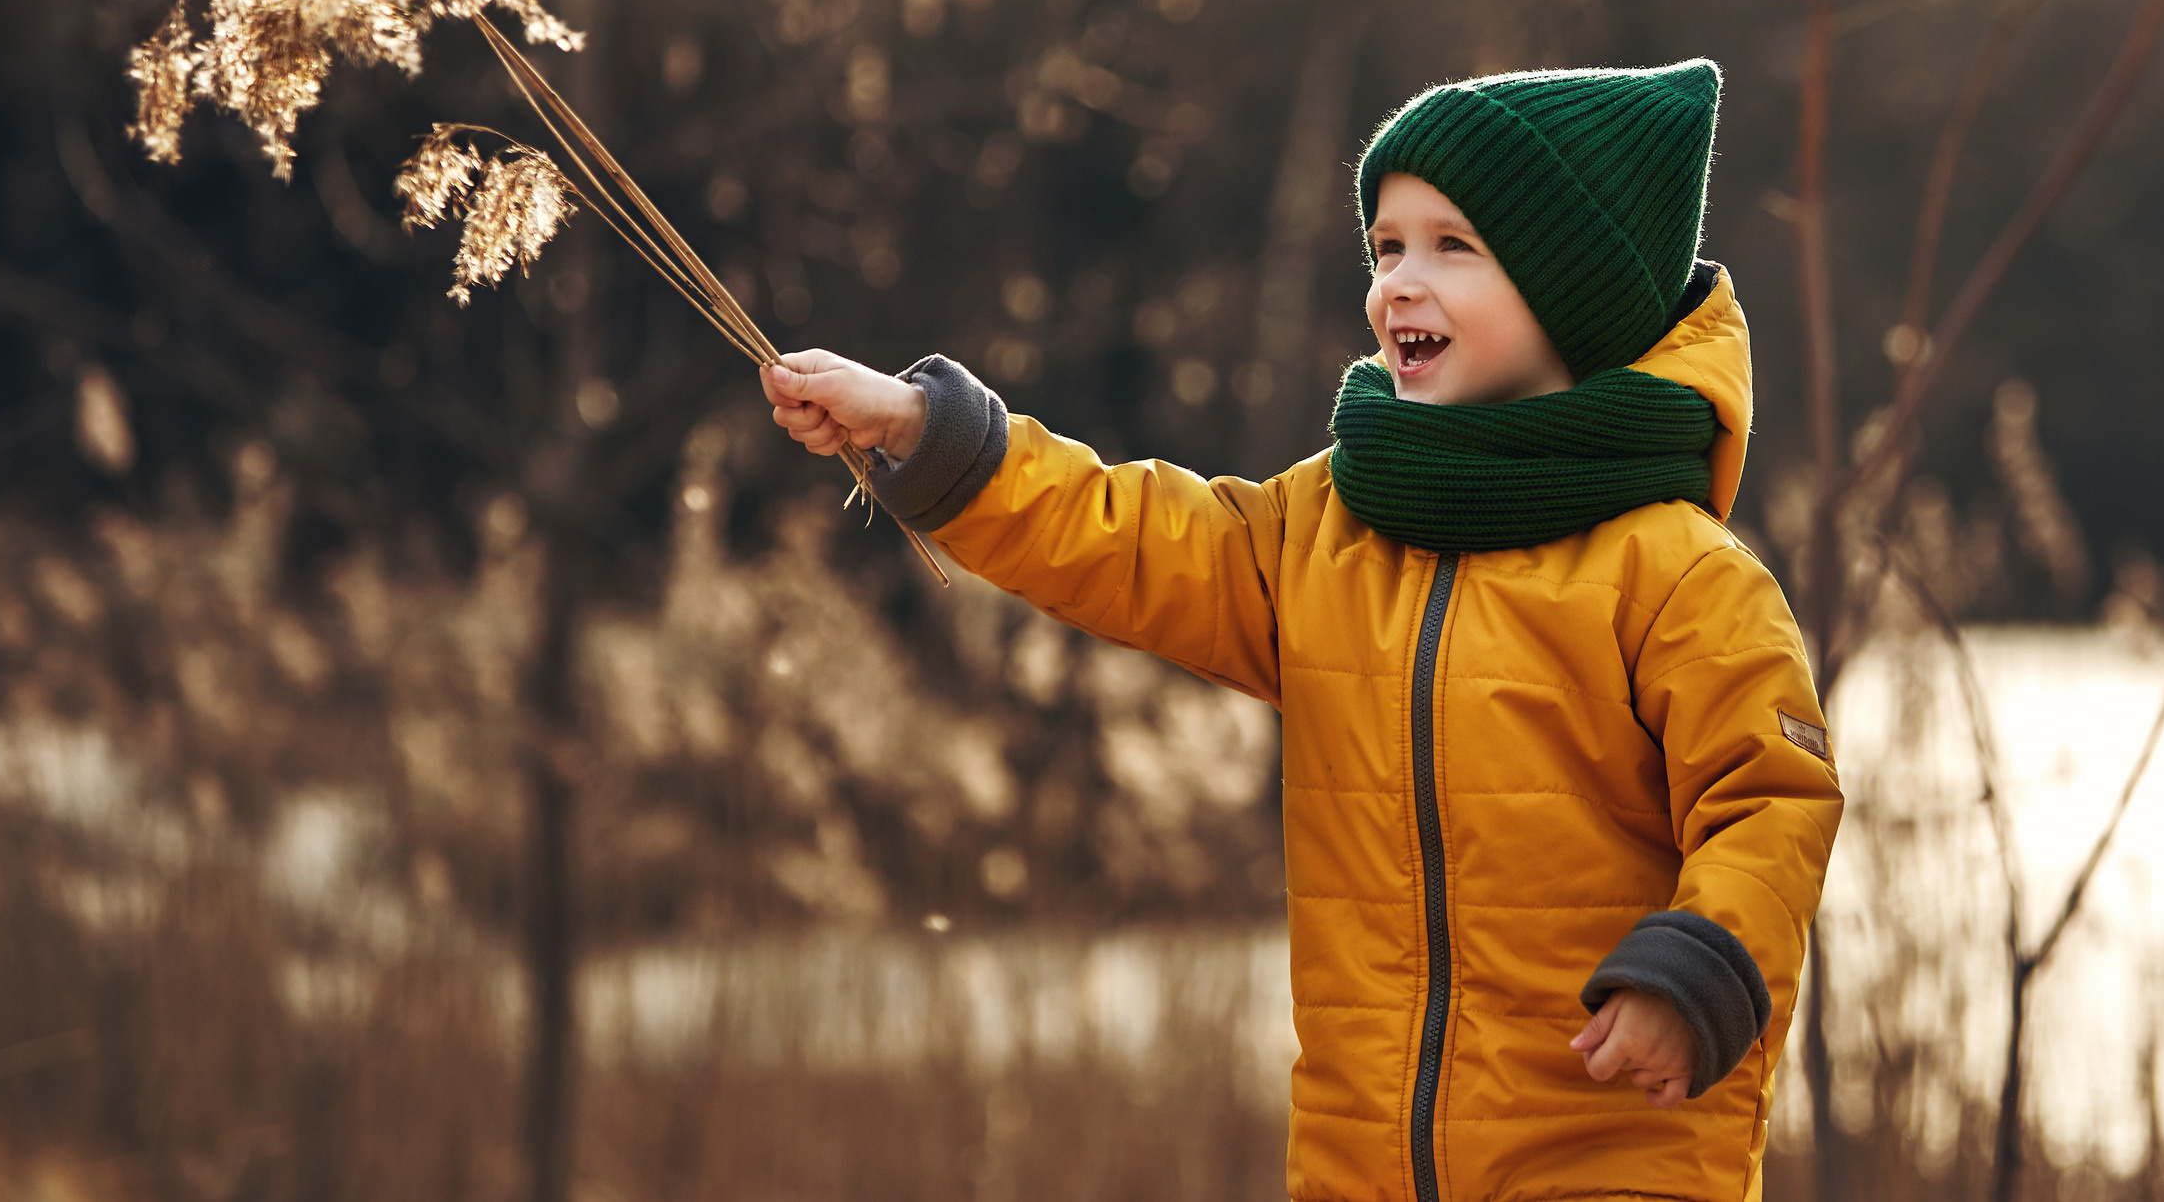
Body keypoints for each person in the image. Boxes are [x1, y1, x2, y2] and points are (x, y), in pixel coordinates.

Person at [762, 60, 1841, 1202]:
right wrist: (924, 428)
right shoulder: (1328, 528)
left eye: (1452, 247)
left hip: (1609, 1159)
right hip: (1360, 1169)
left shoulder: (1675, 573)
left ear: (1573, 293)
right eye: (1386, 248)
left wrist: (1699, 973)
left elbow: (1771, 801)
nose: (1398, 284)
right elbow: (1127, 538)